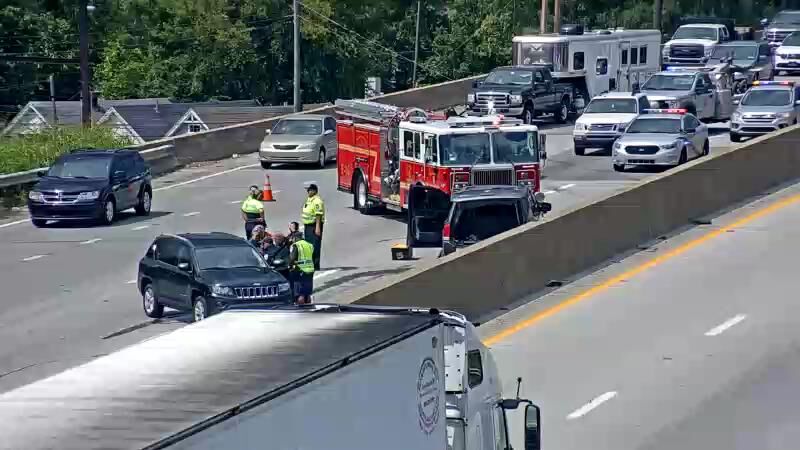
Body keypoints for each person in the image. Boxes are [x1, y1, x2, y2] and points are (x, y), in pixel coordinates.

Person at [301, 184, 325, 270]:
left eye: (310, 190)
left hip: (314, 225)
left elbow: (318, 215)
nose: (308, 192)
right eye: (308, 190)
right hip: (308, 225)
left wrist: (318, 227)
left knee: (315, 246)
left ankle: (315, 265)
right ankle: (310, 263)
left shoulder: (317, 201)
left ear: (314, 191)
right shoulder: (310, 199)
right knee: (309, 245)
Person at [287, 230, 315, 304]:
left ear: (295, 238)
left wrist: (289, 265)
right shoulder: (309, 245)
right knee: (307, 293)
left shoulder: (296, 245)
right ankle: (309, 306)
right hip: (310, 270)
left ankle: (300, 309)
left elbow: (292, 258)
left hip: (300, 270)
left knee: (300, 293)